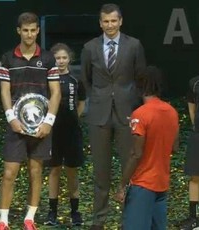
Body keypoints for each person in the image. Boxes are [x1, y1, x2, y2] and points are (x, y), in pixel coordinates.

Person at [80, 3, 146, 229]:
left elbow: (140, 78)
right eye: (105, 21)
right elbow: (86, 79)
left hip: (127, 114)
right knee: (101, 171)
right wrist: (97, 99)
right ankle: (99, 220)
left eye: (113, 21)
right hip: (99, 115)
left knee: (130, 168)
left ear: (120, 21)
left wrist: (132, 104)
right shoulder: (89, 47)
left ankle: (129, 218)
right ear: (100, 23)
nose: (109, 25)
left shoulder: (134, 45)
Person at [0, 12, 61, 230]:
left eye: (33, 30)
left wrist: (48, 122)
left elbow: (56, 92)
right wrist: (11, 118)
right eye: (25, 30)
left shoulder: (49, 58)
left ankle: (29, 219)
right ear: (18, 31)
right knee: (9, 173)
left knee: (36, 172)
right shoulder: (7, 58)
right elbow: (4, 92)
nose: (29, 34)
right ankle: (3, 221)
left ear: (38, 31)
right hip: (16, 126)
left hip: (42, 126)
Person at [114, 66, 179, 229]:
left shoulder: (141, 114)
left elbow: (136, 153)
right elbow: (175, 147)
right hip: (162, 183)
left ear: (139, 86)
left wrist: (122, 185)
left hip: (143, 184)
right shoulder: (172, 111)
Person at [43, 43, 86, 227]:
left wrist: (75, 116)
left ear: (69, 59)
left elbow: (82, 101)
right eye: (57, 58)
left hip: (71, 131)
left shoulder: (76, 80)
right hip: (52, 131)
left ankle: (75, 211)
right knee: (54, 170)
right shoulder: (47, 79)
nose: (60, 61)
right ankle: (52, 211)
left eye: (64, 58)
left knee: (72, 171)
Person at [176, 76, 199, 230]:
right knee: (195, 176)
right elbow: (191, 107)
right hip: (198, 135)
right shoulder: (195, 83)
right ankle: (194, 217)